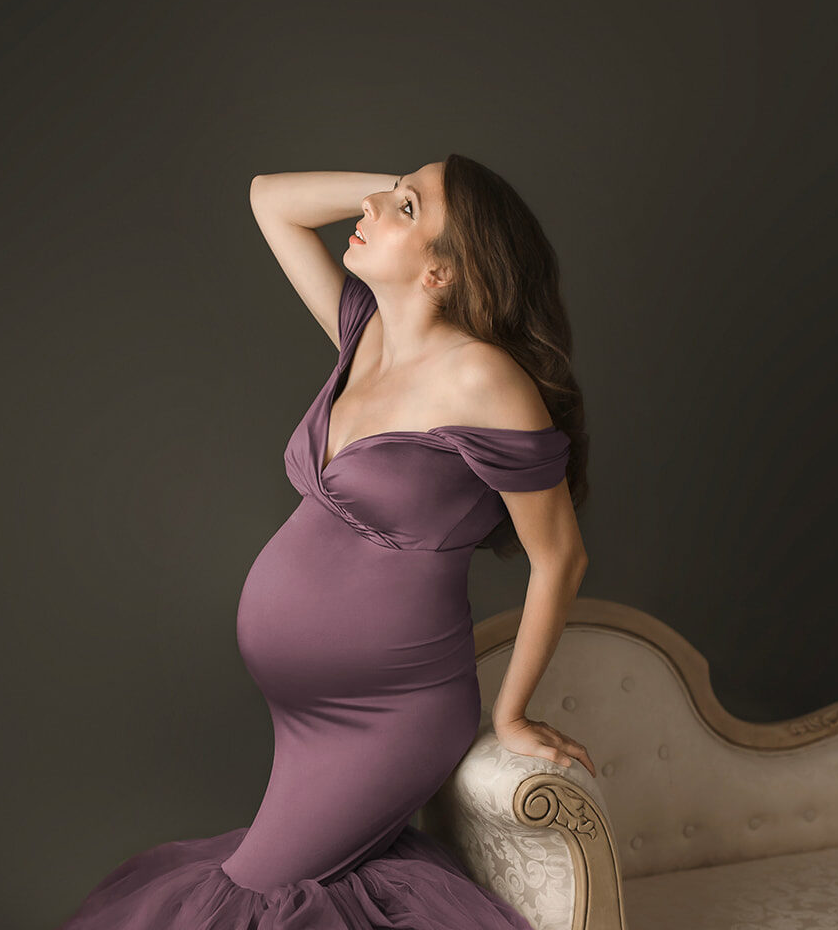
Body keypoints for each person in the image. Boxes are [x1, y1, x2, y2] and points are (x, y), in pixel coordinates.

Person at [56, 155, 594, 928]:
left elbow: (560, 556)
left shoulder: (483, 380)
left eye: (403, 210)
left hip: (389, 710)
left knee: (256, 898)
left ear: (443, 271)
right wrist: (396, 190)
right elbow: (268, 200)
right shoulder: (362, 333)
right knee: (290, 888)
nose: (370, 208)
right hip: (308, 712)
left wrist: (511, 715)